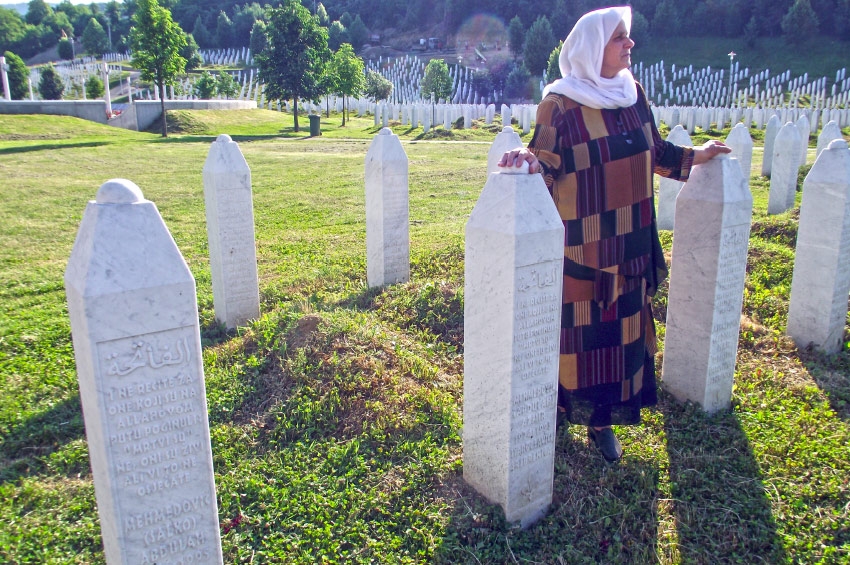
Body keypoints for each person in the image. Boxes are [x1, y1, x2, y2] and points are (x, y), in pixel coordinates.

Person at [499, 6, 730, 463]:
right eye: (619, 38)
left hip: (630, 246)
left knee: (622, 340)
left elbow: (656, 150)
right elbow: (546, 161)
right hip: (583, 249)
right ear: (592, 48)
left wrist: (698, 156)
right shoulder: (560, 105)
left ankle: (601, 424)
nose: (630, 44)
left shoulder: (633, 95)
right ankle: (559, 411)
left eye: (628, 37)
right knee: (577, 341)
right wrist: (524, 162)